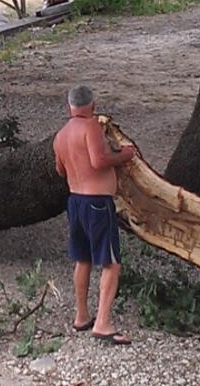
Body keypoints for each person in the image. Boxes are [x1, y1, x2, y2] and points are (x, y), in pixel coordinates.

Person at [53, 84, 137, 345]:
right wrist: (124, 155)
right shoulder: (90, 126)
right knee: (111, 263)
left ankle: (82, 316)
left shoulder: (60, 135)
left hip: (75, 201)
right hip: (97, 203)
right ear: (92, 105)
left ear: (69, 106)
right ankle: (102, 323)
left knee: (83, 258)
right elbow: (98, 160)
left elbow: (60, 171)